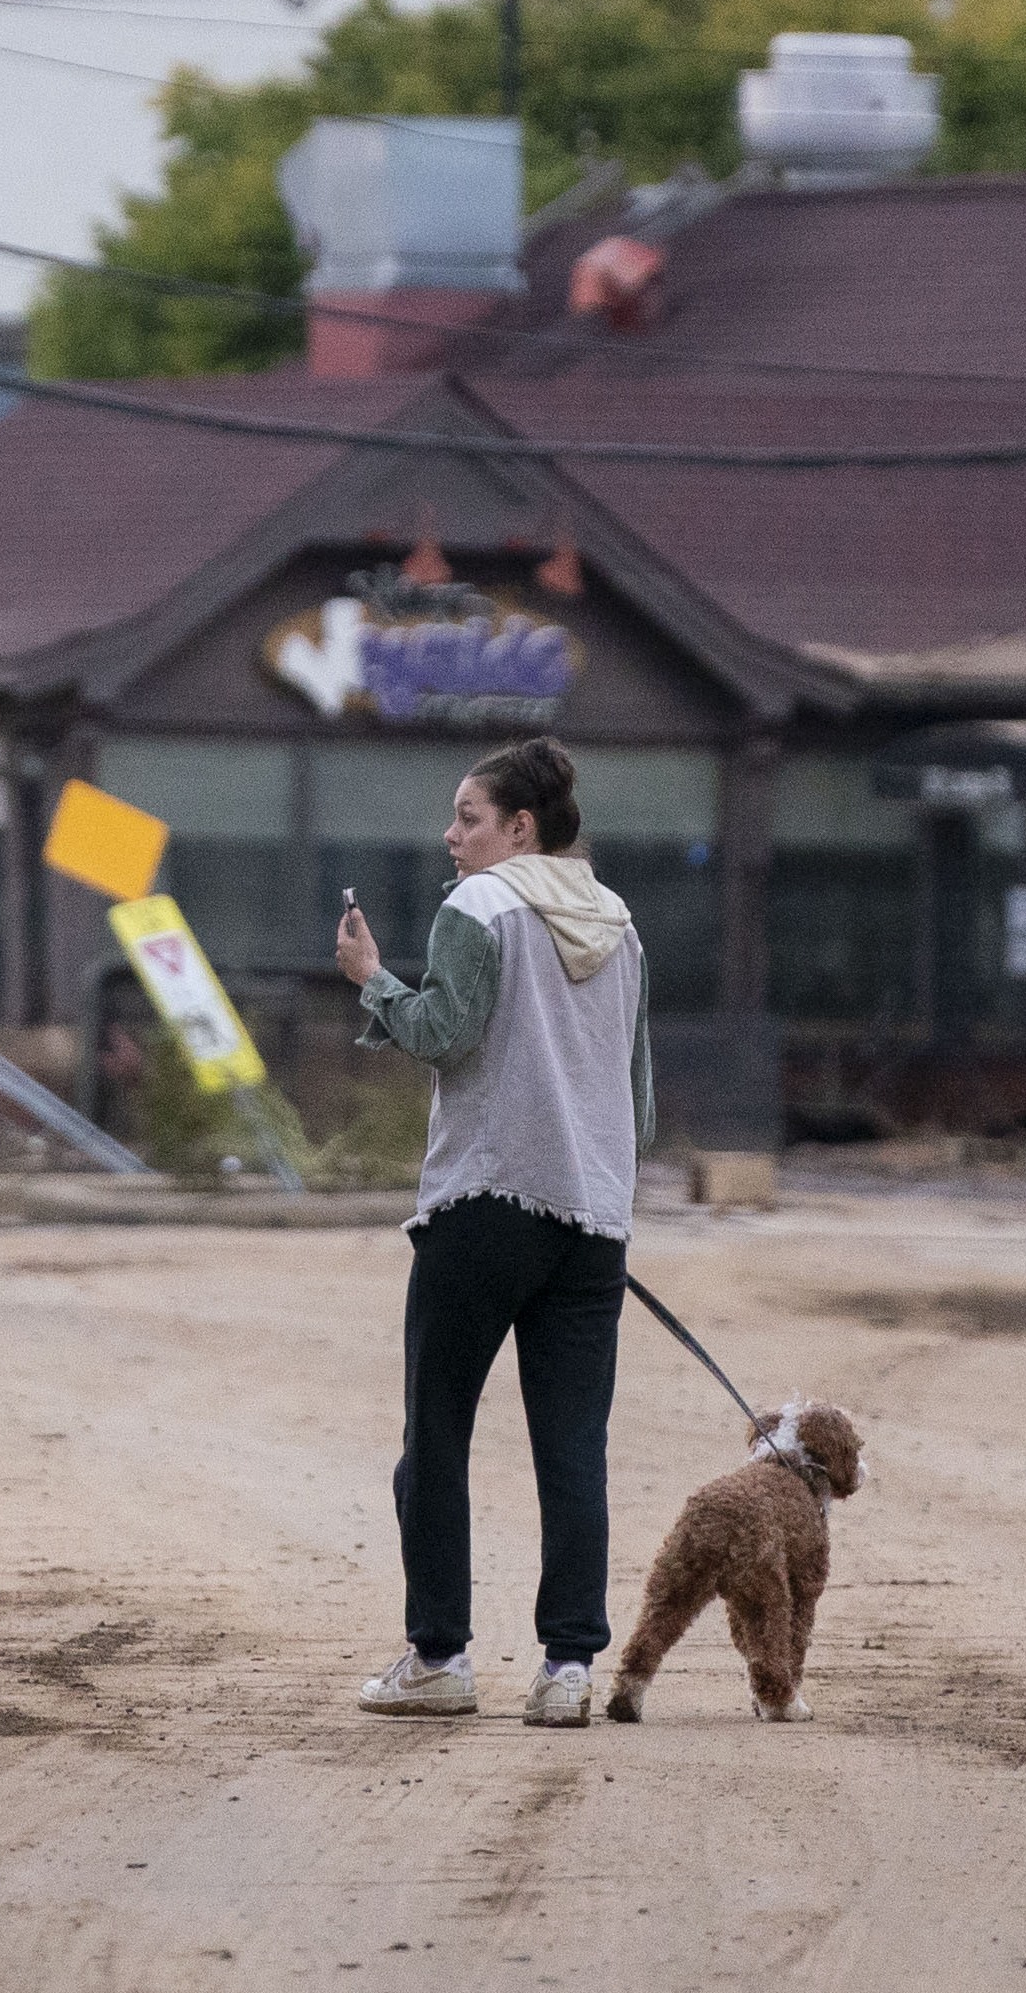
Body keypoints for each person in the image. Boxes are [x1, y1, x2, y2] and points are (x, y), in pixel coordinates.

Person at [332, 732, 657, 1728]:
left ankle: (440, 1657)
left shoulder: (479, 905)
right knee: (574, 1447)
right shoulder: (621, 921)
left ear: (519, 829)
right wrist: (596, 1181)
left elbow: (443, 1032)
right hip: (592, 1219)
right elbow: (632, 1089)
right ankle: (568, 1668)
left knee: (437, 1435)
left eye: (468, 817)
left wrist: (371, 978)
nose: (451, 834)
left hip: (483, 1205)